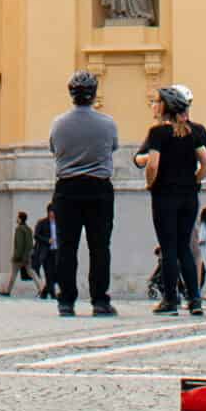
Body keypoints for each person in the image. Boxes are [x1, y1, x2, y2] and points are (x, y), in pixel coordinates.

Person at [49, 71, 120, 318]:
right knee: (99, 247)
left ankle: (66, 301)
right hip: (98, 188)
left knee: (67, 247)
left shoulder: (58, 123)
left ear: (71, 94)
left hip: (67, 189)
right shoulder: (107, 123)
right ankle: (100, 300)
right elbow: (113, 147)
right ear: (94, 94)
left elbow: (53, 149)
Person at [140, 84, 206, 317]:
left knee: (169, 248)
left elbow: (153, 164)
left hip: (165, 196)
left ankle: (170, 299)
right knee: (184, 248)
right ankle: (194, 299)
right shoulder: (195, 132)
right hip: (189, 196)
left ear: (165, 107)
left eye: (157, 101)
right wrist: (194, 180)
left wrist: (150, 183)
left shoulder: (158, 133)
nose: (154, 105)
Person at [0, 209, 36, 294]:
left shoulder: (19, 229)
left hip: (19, 257)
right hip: (27, 256)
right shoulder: (29, 229)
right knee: (32, 273)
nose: (16, 219)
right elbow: (30, 244)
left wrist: (16, 256)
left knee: (13, 275)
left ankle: (8, 291)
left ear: (20, 219)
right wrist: (27, 255)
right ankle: (40, 288)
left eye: (17, 217)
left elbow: (19, 245)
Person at [31, 204, 57, 298]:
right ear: (48, 212)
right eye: (52, 212)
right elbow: (36, 235)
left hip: (56, 251)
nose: (53, 214)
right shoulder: (42, 223)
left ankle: (44, 292)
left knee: (55, 274)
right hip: (46, 252)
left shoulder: (59, 223)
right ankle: (53, 294)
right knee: (48, 273)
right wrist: (47, 240)